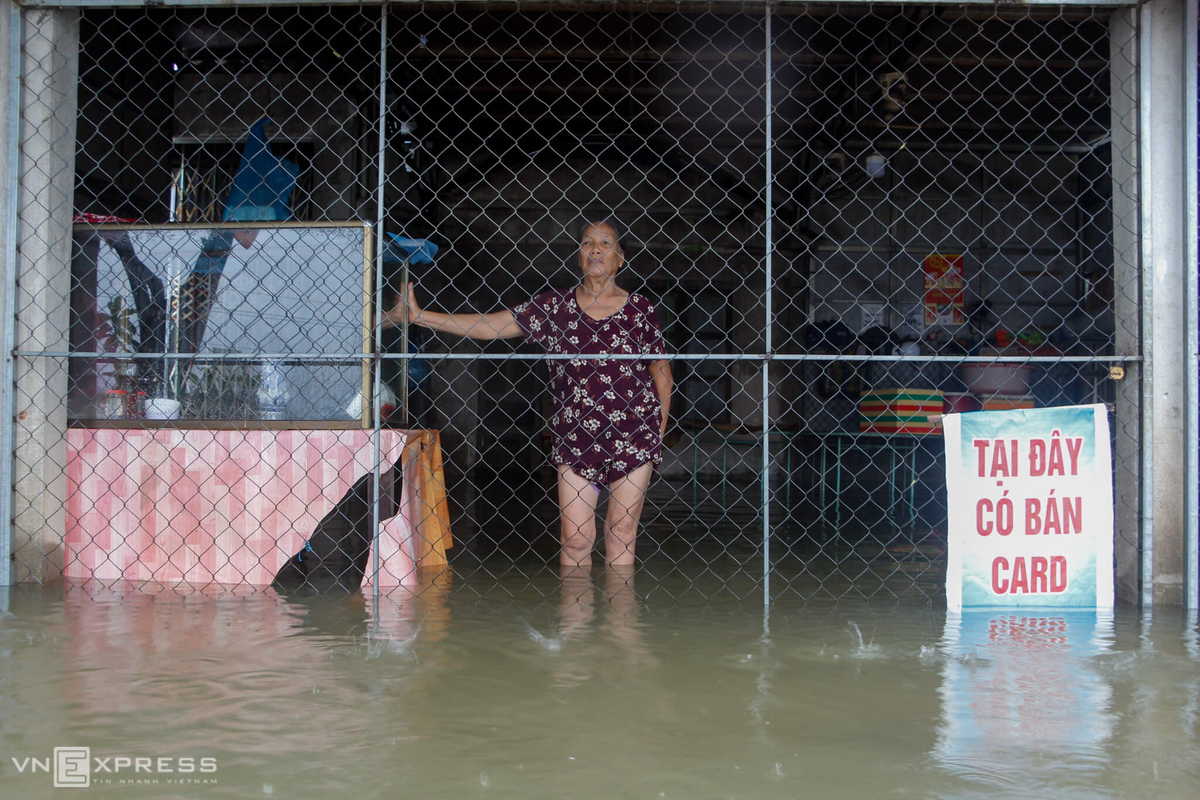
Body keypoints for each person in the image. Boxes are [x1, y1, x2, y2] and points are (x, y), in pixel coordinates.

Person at [385, 221, 673, 569]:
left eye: (606, 243)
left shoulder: (639, 309)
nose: (595, 249)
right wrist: (419, 316)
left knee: (622, 530)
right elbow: (490, 325)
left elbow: (662, 375)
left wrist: (656, 434)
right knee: (575, 538)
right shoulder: (555, 307)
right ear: (579, 255)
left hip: (634, 433)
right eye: (587, 243)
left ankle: (619, 606)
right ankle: (576, 606)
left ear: (621, 257)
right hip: (575, 434)